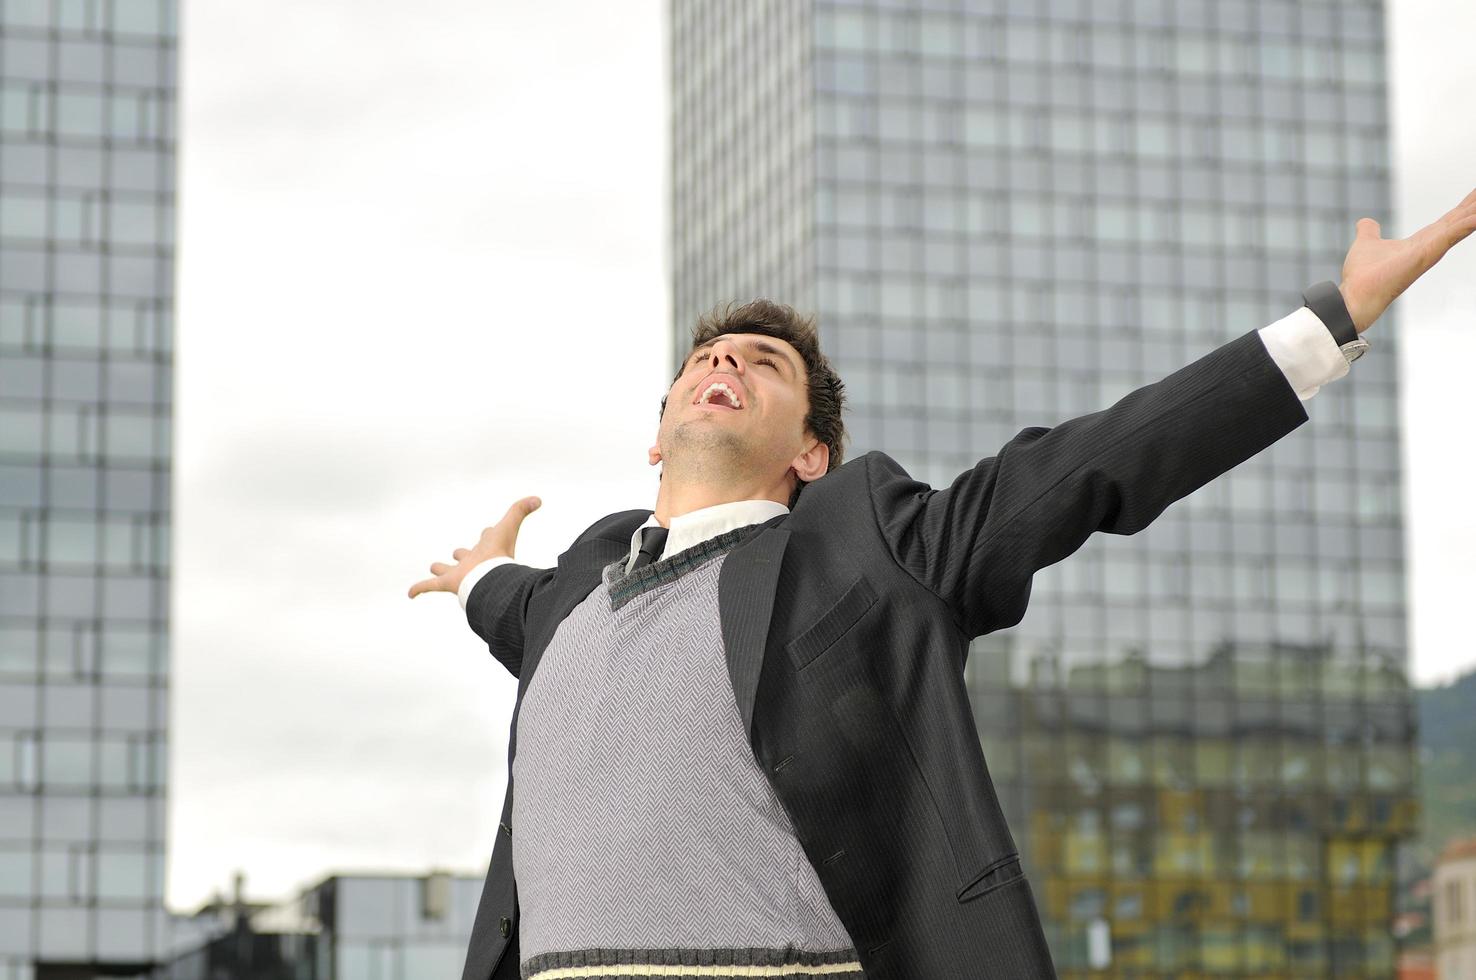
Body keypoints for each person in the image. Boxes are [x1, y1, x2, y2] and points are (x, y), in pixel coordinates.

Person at [410, 192, 1476, 980]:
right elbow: (508, 603)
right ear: (658, 432)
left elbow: (1083, 470)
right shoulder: (566, 600)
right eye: (706, 356)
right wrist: (479, 576)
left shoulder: (866, 553)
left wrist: (1326, 323)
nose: (722, 361)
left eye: (761, 364)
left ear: (812, 453)